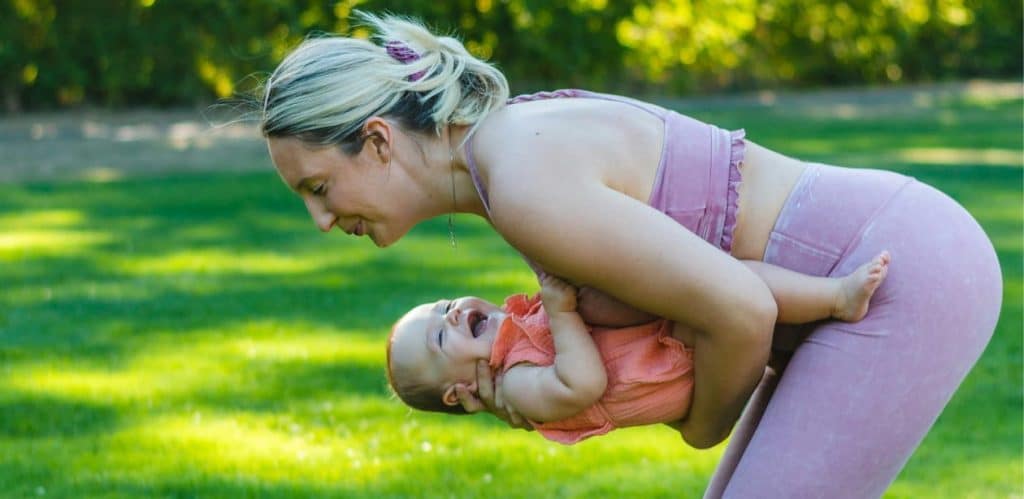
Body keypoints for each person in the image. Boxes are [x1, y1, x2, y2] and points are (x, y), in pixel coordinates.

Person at [259, 13, 1002, 498]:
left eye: (319, 187)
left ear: (379, 139)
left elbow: (741, 310)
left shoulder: (520, 181)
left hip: (894, 275)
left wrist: (700, 425)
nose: (321, 219)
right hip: (880, 264)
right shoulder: (505, 154)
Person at [387, 255, 890, 445]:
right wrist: (561, 312)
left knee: (726, 279)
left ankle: (812, 318)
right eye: (439, 335)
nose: (451, 313)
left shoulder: (516, 338)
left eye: (444, 304)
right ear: (458, 392)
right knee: (734, 286)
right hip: (671, 364)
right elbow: (584, 383)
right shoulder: (518, 388)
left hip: (657, 341)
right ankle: (836, 299)